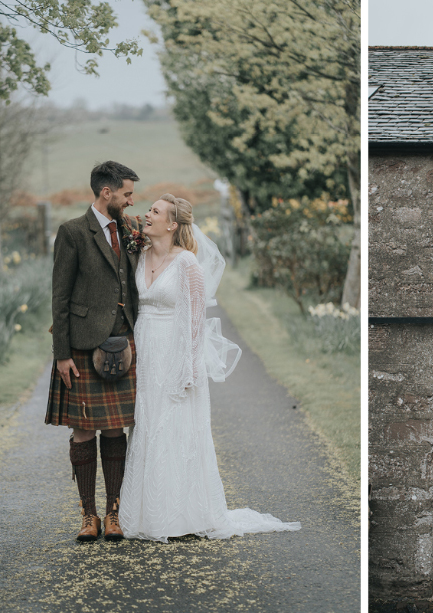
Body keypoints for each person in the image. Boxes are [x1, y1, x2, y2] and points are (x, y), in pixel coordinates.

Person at [118, 194, 300, 541]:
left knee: (175, 429)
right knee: (147, 426)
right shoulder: (139, 257)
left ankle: (180, 516)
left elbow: (196, 320)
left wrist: (188, 367)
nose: (147, 214)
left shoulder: (188, 264)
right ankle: (145, 513)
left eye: (155, 211)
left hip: (175, 353)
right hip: (146, 351)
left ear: (172, 224)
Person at [44, 161, 140, 542]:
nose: (131, 201)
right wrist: (62, 353)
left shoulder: (132, 230)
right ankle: (89, 515)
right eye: (127, 193)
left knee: (115, 428)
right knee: (83, 429)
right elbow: (60, 295)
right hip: (83, 344)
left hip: (124, 343)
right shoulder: (72, 232)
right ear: (107, 192)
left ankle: (114, 512)